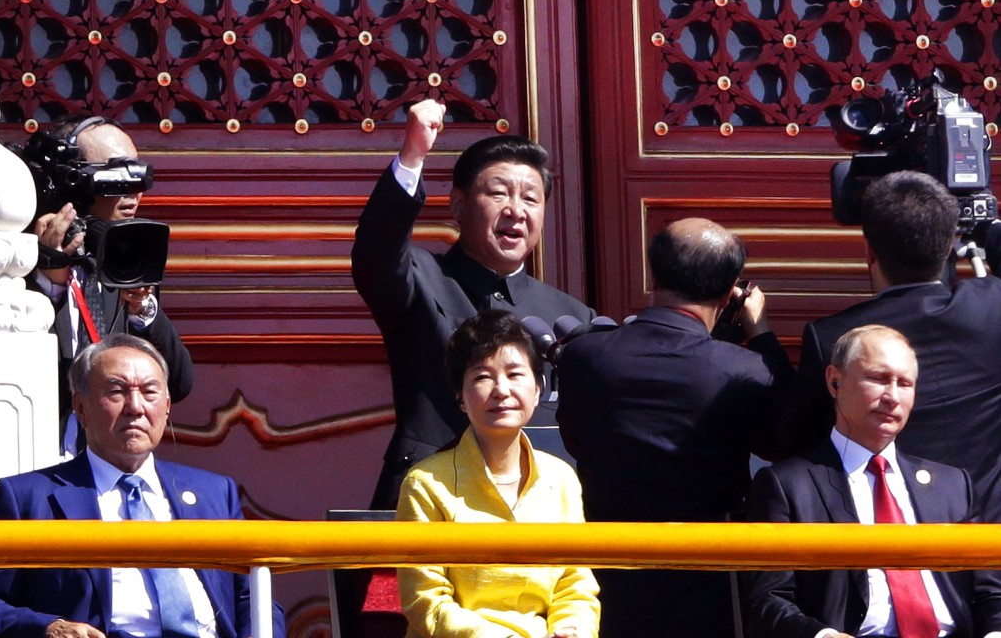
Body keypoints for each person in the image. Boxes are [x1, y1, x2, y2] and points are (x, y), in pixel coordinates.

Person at [555, 217, 794, 638]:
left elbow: (574, 440)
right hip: (709, 579)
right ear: (729, 291)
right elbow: (785, 439)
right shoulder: (747, 370)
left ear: (653, 273)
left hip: (603, 574)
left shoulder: (585, 356)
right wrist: (761, 333)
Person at [352, 99, 594, 508]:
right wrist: (412, 155)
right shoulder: (423, 279)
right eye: (498, 194)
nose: (516, 210)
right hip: (430, 496)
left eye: (531, 199)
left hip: (539, 504)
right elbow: (376, 252)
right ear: (458, 205)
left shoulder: (571, 315)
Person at [0, 333, 285, 638]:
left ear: (166, 406)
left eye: (150, 392)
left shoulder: (215, 492)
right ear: (80, 407)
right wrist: (47, 629)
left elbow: (253, 597)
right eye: (117, 391)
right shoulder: (26, 497)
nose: (135, 407)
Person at [744, 324, 1001, 638]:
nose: (892, 396)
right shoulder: (787, 486)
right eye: (879, 378)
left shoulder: (952, 485)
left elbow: (992, 592)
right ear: (834, 381)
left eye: (905, 383)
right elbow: (767, 600)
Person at [793, 170, 1001, 522]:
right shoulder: (992, 305)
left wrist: (764, 337)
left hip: (889, 536)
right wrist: (991, 233)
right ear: (951, 244)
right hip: (988, 539)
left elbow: (796, 440)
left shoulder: (833, 337)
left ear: (869, 251)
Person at [396, 310, 600, 638]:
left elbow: (575, 587)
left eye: (514, 374)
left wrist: (571, 630)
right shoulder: (425, 484)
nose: (500, 390)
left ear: (538, 388)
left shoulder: (561, 479)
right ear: (460, 396)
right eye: (482, 377)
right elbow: (426, 600)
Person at [21, 116, 194, 455]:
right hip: (32, 460)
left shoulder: (126, 253)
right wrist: (49, 287)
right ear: (71, 182)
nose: (135, 192)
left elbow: (178, 382)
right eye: (117, 177)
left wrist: (142, 308)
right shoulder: (15, 251)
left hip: (108, 470)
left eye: (139, 175)